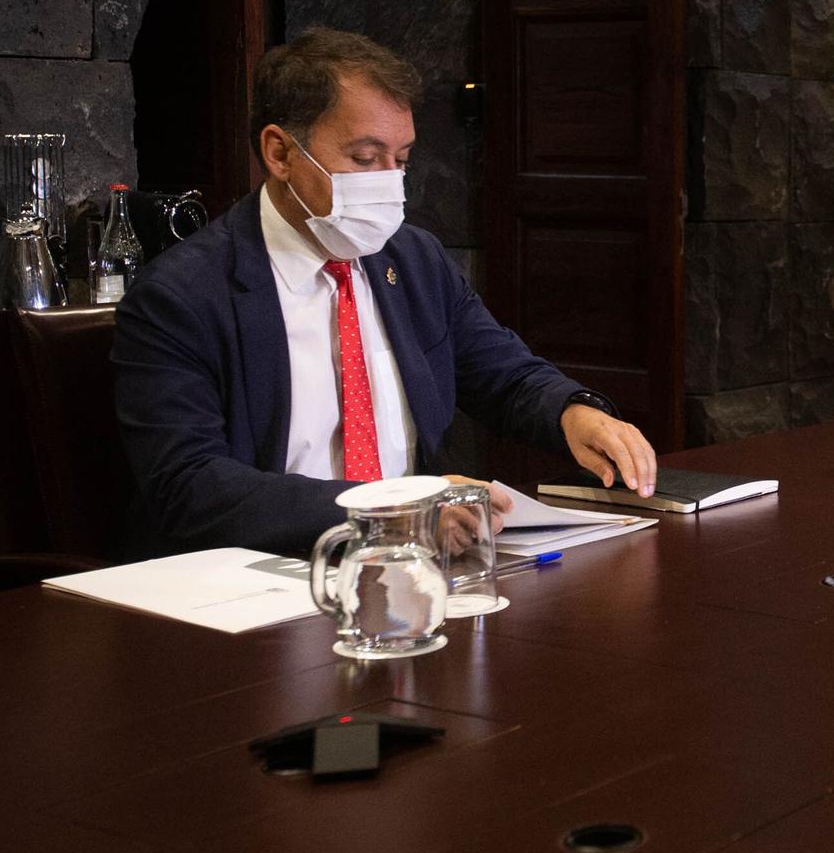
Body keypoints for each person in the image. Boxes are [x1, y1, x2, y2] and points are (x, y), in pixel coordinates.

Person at [112, 28, 657, 557]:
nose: (388, 183)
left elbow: (504, 376)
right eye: (365, 158)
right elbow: (188, 485)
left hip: (412, 568)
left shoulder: (413, 259)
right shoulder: (181, 296)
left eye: (401, 161)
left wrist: (574, 413)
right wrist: (389, 509)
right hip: (265, 574)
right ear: (280, 153)